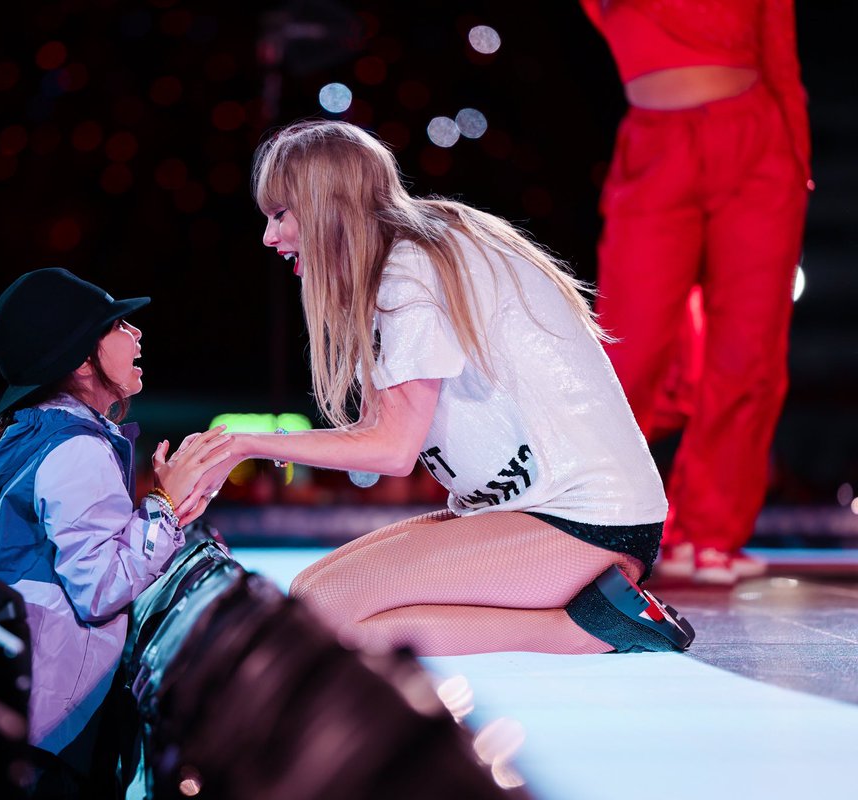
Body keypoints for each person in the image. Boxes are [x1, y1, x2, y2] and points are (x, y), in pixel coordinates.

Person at [197, 119, 695, 658]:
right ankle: (590, 612)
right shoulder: (410, 253)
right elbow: (375, 446)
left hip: (587, 524)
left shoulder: (409, 269)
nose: (269, 237)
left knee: (320, 609)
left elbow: (391, 451)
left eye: (280, 215)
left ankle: (589, 627)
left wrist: (243, 443)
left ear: (323, 202)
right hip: (539, 517)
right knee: (309, 600)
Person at [0, 267, 232, 799]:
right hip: (56, 729)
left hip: (28, 710)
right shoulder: (76, 450)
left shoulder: (40, 434)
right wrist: (165, 505)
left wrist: (170, 510)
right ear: (81, 361)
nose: (136, 333)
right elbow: (100, 588)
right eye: (117, 325)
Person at [578, 0, 812, 584]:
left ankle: (709, 537)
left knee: (748, 354)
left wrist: (796, 163)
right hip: (656, 148)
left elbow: (780, 56)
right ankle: (589, 524)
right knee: (628, 350)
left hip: (759, 148)